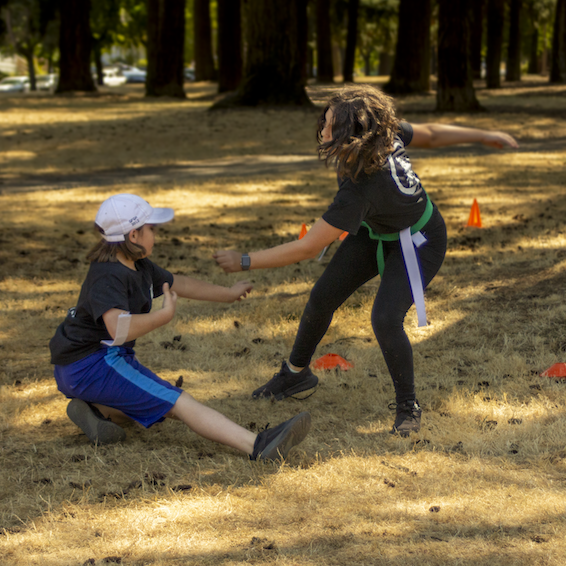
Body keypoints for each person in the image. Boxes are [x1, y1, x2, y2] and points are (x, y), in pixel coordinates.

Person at [214, 85, 519, 437]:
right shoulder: (378, 135)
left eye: (330, 126)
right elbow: (432, 134)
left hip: (419, 240)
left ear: (354, 134)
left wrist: (245, 260)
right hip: (375, 231)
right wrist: (485, 135)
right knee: (322, 297)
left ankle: (408, 405)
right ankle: (294, 375)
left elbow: (308, 248)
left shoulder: (361, 187)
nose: (322, 132)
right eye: (324, 122)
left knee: (386, 318)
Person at [49, 193, 311, 461]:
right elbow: (118, 328)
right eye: (151, 229)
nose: (156, 234)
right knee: (177, 402)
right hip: (91, 365)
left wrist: (228, 293)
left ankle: (97, 411)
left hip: (86, 364)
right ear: (133, 236)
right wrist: (164, 316)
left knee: (152, 402)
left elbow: (179, 284)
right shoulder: (108, 275)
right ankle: (257, 445)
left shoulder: (138, 265)